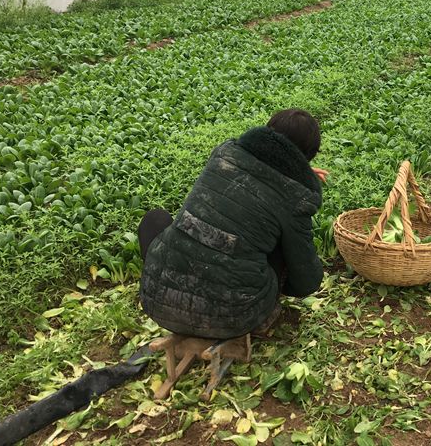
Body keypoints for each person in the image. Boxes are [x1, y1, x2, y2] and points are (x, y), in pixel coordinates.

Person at [138, 108, 329, 339]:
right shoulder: (297, 198)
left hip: (157, 300)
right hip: (232, 315)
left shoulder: (224, 154)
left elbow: (267, 163)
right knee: (281, 247)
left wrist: (297, 172)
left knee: (155, 219)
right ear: (308, 155)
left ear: (268, 132)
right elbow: (307, 281)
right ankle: (257, 306)